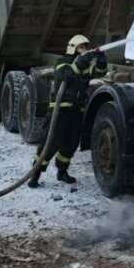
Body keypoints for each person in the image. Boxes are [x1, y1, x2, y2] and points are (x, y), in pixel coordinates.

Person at [28, 34, 108, 188]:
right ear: (73, 48)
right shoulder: (62, 62)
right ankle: (35, 174)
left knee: (71, 143)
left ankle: (62, 171)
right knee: (50, 143)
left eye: (85, 47)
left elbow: (100, 72)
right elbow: (66, 76)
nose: (84, 49)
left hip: (77, 110)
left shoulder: (85, 66)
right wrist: (82, 60)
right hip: (60, 110)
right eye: (81, 47)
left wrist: (101, 59)